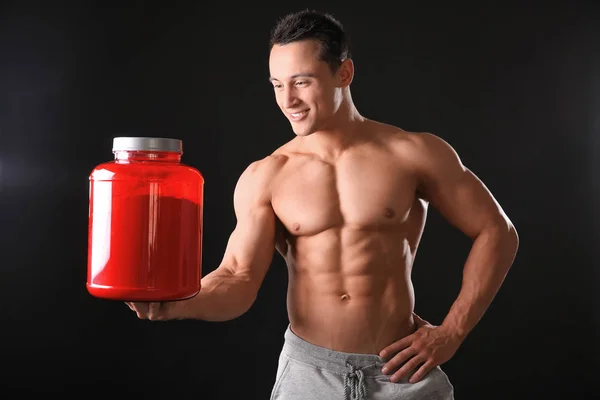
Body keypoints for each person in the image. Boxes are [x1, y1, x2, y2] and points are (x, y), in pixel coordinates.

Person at [127, 9, 519, 400]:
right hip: (310, 375)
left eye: (301, 82)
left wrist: (451, 333)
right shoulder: (267, 175)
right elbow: (236, 278)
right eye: (277, 85)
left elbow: (497, 231)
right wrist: (176, 302)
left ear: (344, 74)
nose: (288, 100)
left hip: (401, 371)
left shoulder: (413, 153)